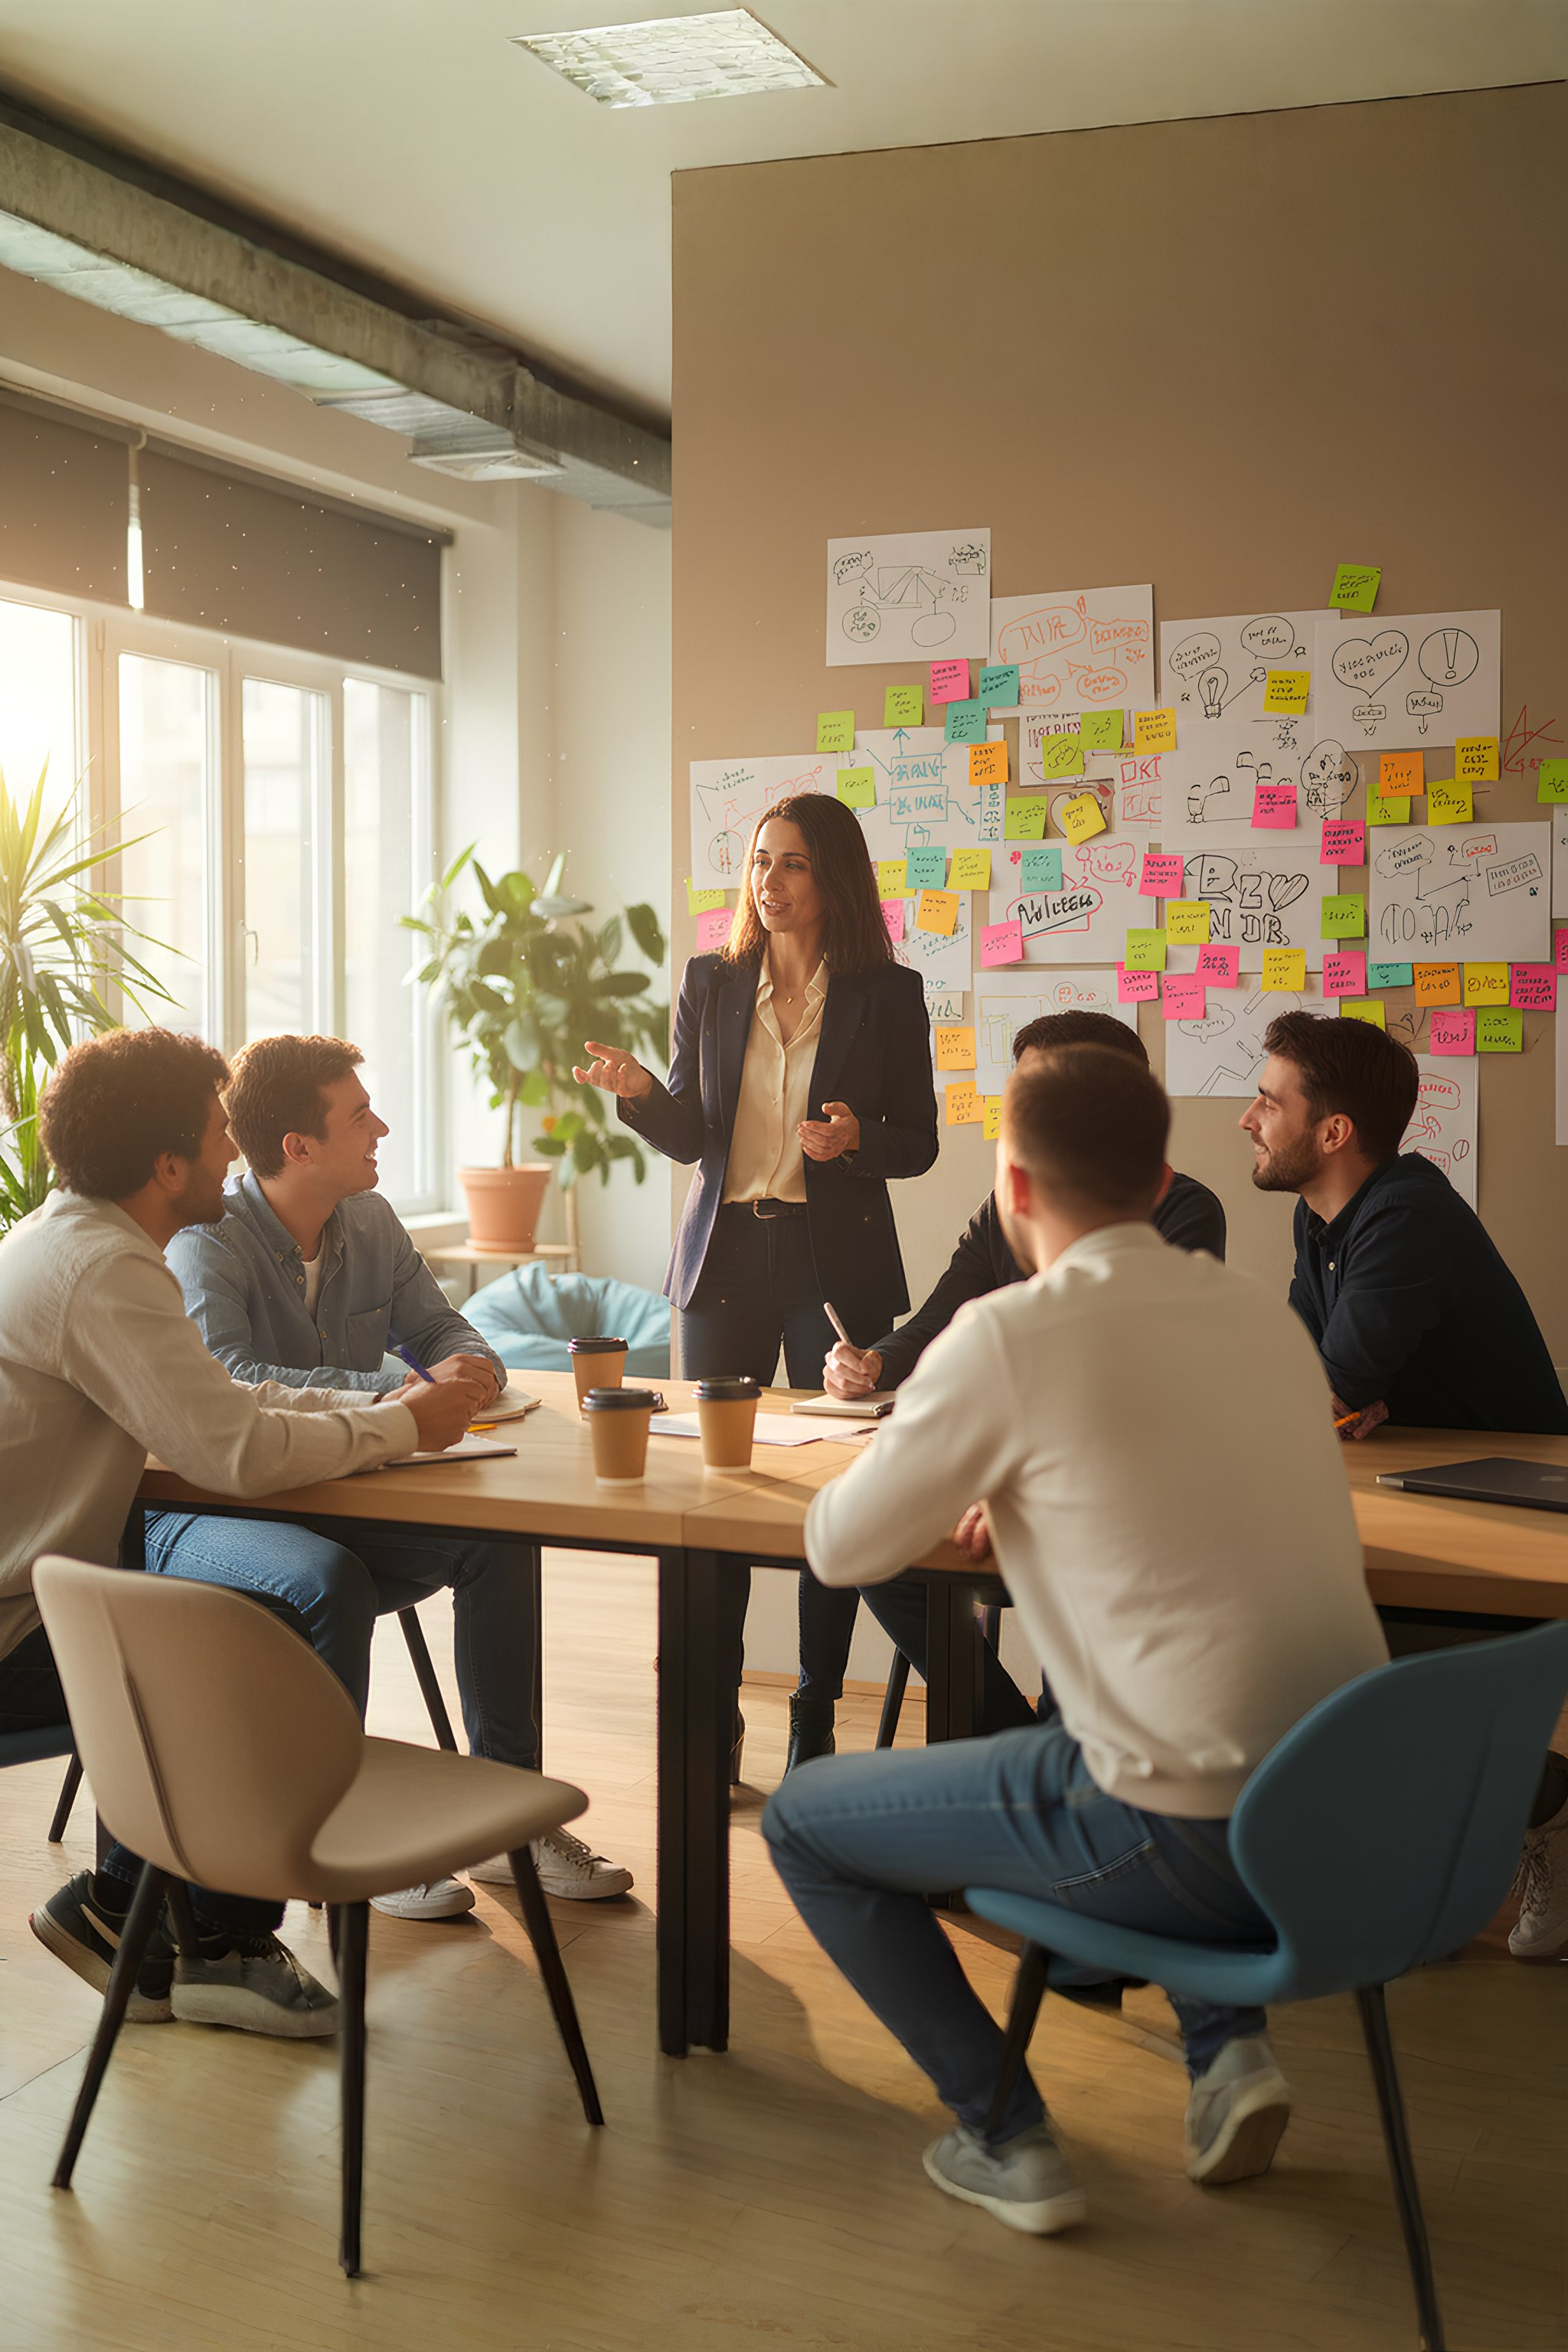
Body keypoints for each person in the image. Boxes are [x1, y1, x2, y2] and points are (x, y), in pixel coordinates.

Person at [763, 1047, 1389, 2236]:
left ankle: (1007, 2137)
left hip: (1191, 1841)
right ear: (1163, 1182)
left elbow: (843, 1547)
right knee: (1162, 1709)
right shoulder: (1261, 1316)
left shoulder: (1009, 1338)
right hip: (1348, 1822)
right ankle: (1229, 2058)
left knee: (807, 1824)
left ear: (1013, 1187)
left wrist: (995, 1465)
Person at [1, 1029, 480, 2037]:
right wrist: (401, 1422)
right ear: (167, 1164)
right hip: (18, 1631)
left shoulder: (72, 1242)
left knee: (243, 1614)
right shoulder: (108, 1273)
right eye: (221, 1136)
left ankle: (132, 1911)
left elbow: (216, 1401)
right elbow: (235, 1456)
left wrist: (396, 1415)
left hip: (47, 1597)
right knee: (242, 1642)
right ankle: (219, 1941)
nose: (236, 1152)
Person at [159, 1032, 633, 1909]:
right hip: (246, 1508)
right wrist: (397, 1391)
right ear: (298, 1147)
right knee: (328, 1578)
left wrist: (472, 1368)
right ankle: (357, 1833)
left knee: (499, 1541)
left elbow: (443, 1327)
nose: (381, 1127)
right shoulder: (208, 1242)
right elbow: (233, 1385)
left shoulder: (371, 1219)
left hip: (352, 1489)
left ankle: (506, 1817)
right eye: (360, 1115)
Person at [575, 792, 938, 1776]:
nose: (768, 884)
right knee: (716, 1492)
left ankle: (814, 1716)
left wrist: (859, 1140)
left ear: (833, 881)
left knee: (830, 1493)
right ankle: (713, 1719)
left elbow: (921, 1144)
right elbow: (694, 1134)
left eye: (792, 866)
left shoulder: (887, 993)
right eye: (759, 863)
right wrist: (643, 1094)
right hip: (724, 1260)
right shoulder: (712, 980)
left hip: (833, 1266)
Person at [1240, 1010, 1568, 1962]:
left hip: (1512, 1513)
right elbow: (1302, 1379)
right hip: (1413, 1485)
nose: (1246, 1119)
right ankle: (1395, 1864)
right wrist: (1333, 1395)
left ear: (1332, 1132)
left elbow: (1329, 1386)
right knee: (1286, 1640)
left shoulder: (1405, 1212)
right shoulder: (1321, 1219)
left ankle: (1541, 1815)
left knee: (1322, 1651)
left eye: (1267, 1101)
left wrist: (1336, 1395)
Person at [823, 1011, 1227, 1731]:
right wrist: (876, 1359)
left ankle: (1036, 1754)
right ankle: (1019, 1738)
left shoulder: (1185, 1213)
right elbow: (940, 1313)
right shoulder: (1269, 1327)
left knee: (803, 1818)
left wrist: (1008, 1482)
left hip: (1131, 1527)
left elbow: (1130, 1371)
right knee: (898, 1558)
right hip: (1251, 1775)